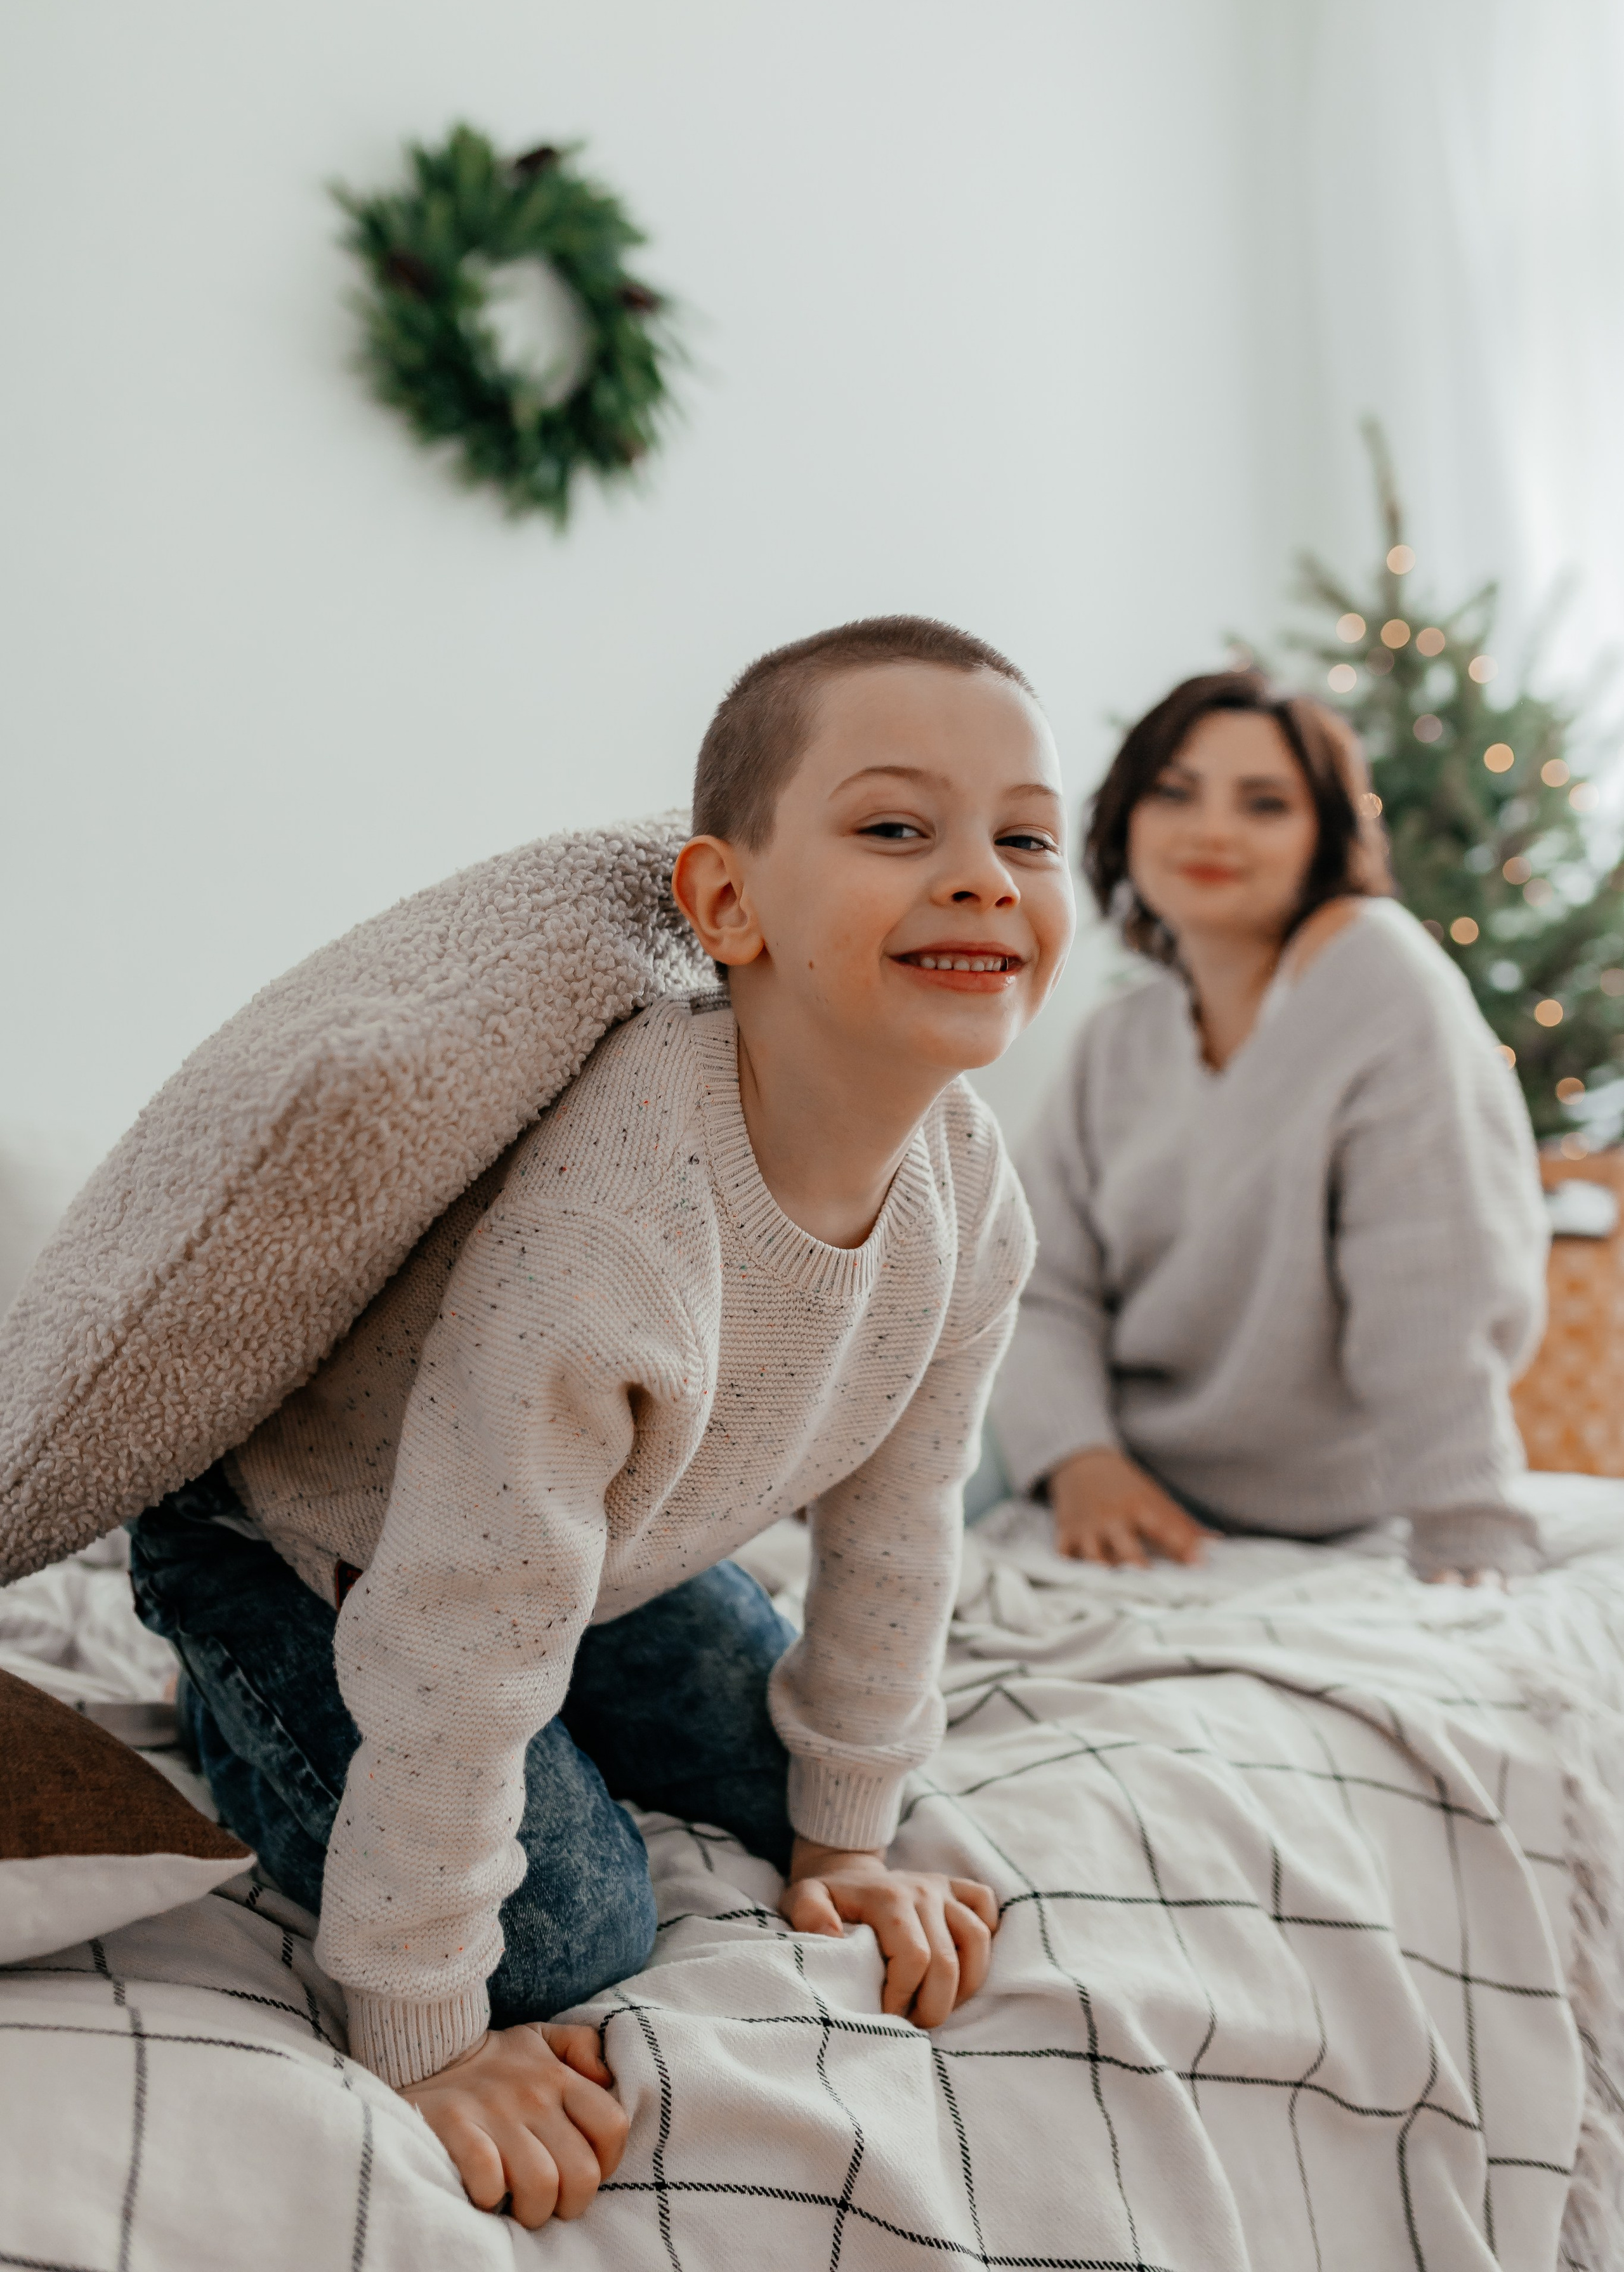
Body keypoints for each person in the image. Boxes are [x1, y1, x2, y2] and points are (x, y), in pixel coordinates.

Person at [129, 615, 1074, 2229]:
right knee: (567, 1933)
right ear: (725, 901)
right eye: (896, 828)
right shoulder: (625, 1207)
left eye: (1027, 836)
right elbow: (463, 1604)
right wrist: (423, 2033)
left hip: (598, 1553)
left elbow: (901, 1523)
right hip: (319, 1551)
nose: (984, 875)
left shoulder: (971, 1192)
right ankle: (232, 1708)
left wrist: (847, 1837)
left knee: (787, 1772)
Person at [990, 666, 1548, 1585]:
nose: (1211, 830)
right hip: (1123, 1496)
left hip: (1338, 1519)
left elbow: (1431, 1281)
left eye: (1265, 803)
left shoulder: (1379, 974)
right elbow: (1037, 1284)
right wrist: (1079, 1461)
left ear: (1324, 837)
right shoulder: (1114, 1040)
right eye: (1174, 792)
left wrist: (1467, 1526)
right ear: (1125, 819)